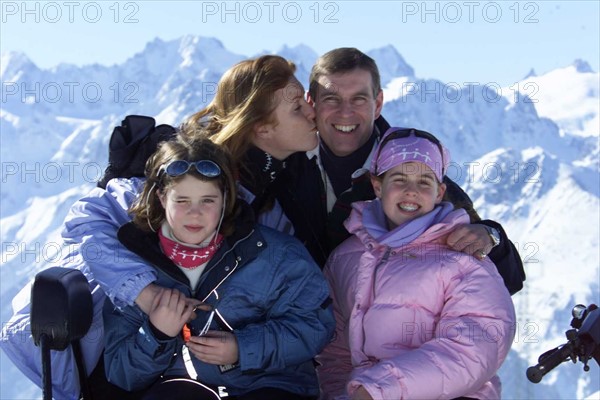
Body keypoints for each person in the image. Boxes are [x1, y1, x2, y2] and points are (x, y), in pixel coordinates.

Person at [0, 55, 322, 399]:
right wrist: (146, 294)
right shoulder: (184, 169)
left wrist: (243, 346)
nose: (312, 113)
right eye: (298, 110)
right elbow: (88, 219)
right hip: (119, 355)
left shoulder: (272, 200)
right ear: (262, 127)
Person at [103, 131, 334, 398]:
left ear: (226, 198)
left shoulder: (275, 255)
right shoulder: (136, 270)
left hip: (268, 386)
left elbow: (315, 326)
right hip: (181, 388)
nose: (195, 213)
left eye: (208, 200)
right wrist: (156, 334)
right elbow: (121, 372)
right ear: (162, 198)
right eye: (182, 200)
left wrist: (241, 347)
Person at [290, 47, 525, 294]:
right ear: (312, 103)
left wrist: (490, 236)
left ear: (378, 103)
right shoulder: (288, 166)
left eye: (358, 99)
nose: (345, 112)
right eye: (331, 99)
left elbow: (508, 277)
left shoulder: (415, 174)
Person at [316, 127, 516, 399]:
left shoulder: (463, 257)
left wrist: (377, 391)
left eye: (425, 182)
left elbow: (473, 350)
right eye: (399, 179)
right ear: (377, 186)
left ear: (439, 192)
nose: (411, 191)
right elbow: (334, 352)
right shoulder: (344, 259)